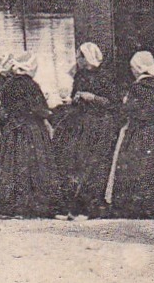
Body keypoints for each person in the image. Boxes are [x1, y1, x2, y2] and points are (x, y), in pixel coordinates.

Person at [106, 51, 154, 221]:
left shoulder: (136, 88)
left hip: (139, 134)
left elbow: (126, 112)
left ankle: (139, 207)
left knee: (137, 169)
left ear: (136, 69)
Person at [51, 43, 119, 220]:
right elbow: (76, 97)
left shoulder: (105, 77)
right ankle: (74, 205)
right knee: (75, 163)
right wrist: (74, 99)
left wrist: (93, 98)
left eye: (79, 57)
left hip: (99, 124)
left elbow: (113, 103)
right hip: (81, 123)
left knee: (93, 165)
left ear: (87, 58)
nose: (77, 61)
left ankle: (90, 207)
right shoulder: (80, 75)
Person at [0, 53, 54, 219]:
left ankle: (9, 206)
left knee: (12, 166)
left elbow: (2, 110)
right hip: (31, 129)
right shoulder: (32, 85)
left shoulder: (8, 84)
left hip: (13, 129)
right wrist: (48, 113)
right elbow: (40, 109)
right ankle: (31, 207)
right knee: (34, 166)